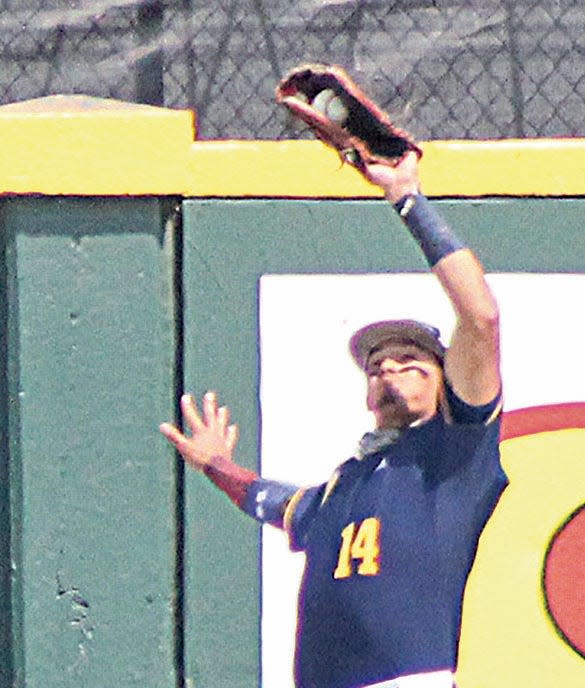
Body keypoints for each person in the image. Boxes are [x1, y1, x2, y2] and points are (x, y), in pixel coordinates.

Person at [160, 151, 508, 688]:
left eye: (411, 364)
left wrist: (407, 198)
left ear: (444, 379)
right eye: (377, 367)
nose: (389, 373)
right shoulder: (347, 484)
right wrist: (216, 466)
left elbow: (480, 316)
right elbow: (275, 504)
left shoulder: (454, 452)